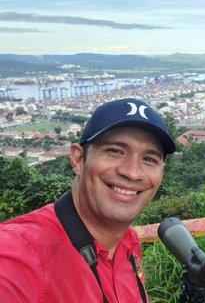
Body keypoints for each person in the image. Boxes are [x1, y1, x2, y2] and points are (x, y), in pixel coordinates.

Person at [0, 98, 176, 303]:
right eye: (115, 151)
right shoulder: (23, 253)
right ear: (78, 159)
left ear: (161, 172)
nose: (133, 172)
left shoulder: (128, 241)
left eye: (149, 159)